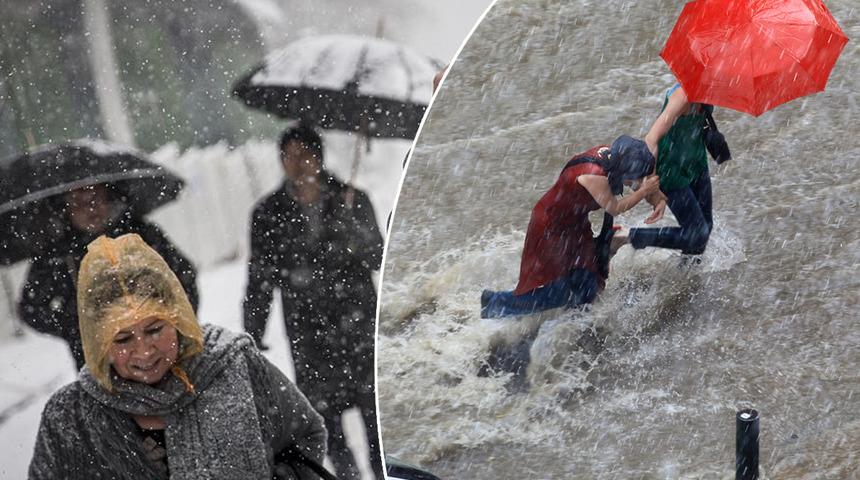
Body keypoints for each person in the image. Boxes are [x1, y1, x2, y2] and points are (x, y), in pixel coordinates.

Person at [29, 234, 327, 480]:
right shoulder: (71, 416)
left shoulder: (233, 366)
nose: (144, 351)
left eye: (155, 329)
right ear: (99, 342)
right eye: (122, 339)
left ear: (177, 317)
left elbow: (304, 435)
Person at [243, 124, 385, 480]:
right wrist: (253, 332)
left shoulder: (352, 199)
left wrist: (352, 232)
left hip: (360, 328)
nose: (298, 163)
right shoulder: (268, 214)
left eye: (304, 154)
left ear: (318, 157)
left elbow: (378, 255)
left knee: (378, 422)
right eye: (289, 156)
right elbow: (260, 279)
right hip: (310, 336)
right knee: (327, 429)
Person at [18, 183, 198, 369]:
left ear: (109, 196)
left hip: (164, 355)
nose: (90, 208)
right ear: (65, 207)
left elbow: (184, 277)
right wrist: (79, 327)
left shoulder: (141, 234)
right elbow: (31, 309)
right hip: (98, 366)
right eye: (78, 202)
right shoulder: (57, 255)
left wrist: (173, 323)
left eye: (96, 198)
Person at [481, 136, 660, 318]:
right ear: (624, 171)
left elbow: (644, 175)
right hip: (551, 227)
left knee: (587, 281)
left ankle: (574, 323)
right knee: (558, 291)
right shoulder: (593, 174)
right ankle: (495, 303)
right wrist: (644, 191)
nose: (637, 183)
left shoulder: (616, 156)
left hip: (574, 223)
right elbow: (615, 207)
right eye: (636, 178)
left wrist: (656, 197)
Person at [620, 83, 717, 258]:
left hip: (696, 163)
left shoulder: (710, 90)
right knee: (697, 235)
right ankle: (626, 236)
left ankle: (687, 273)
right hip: (671, 171)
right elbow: (651, 139)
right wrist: (653, 187)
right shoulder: (681, 97)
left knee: (705, 228)